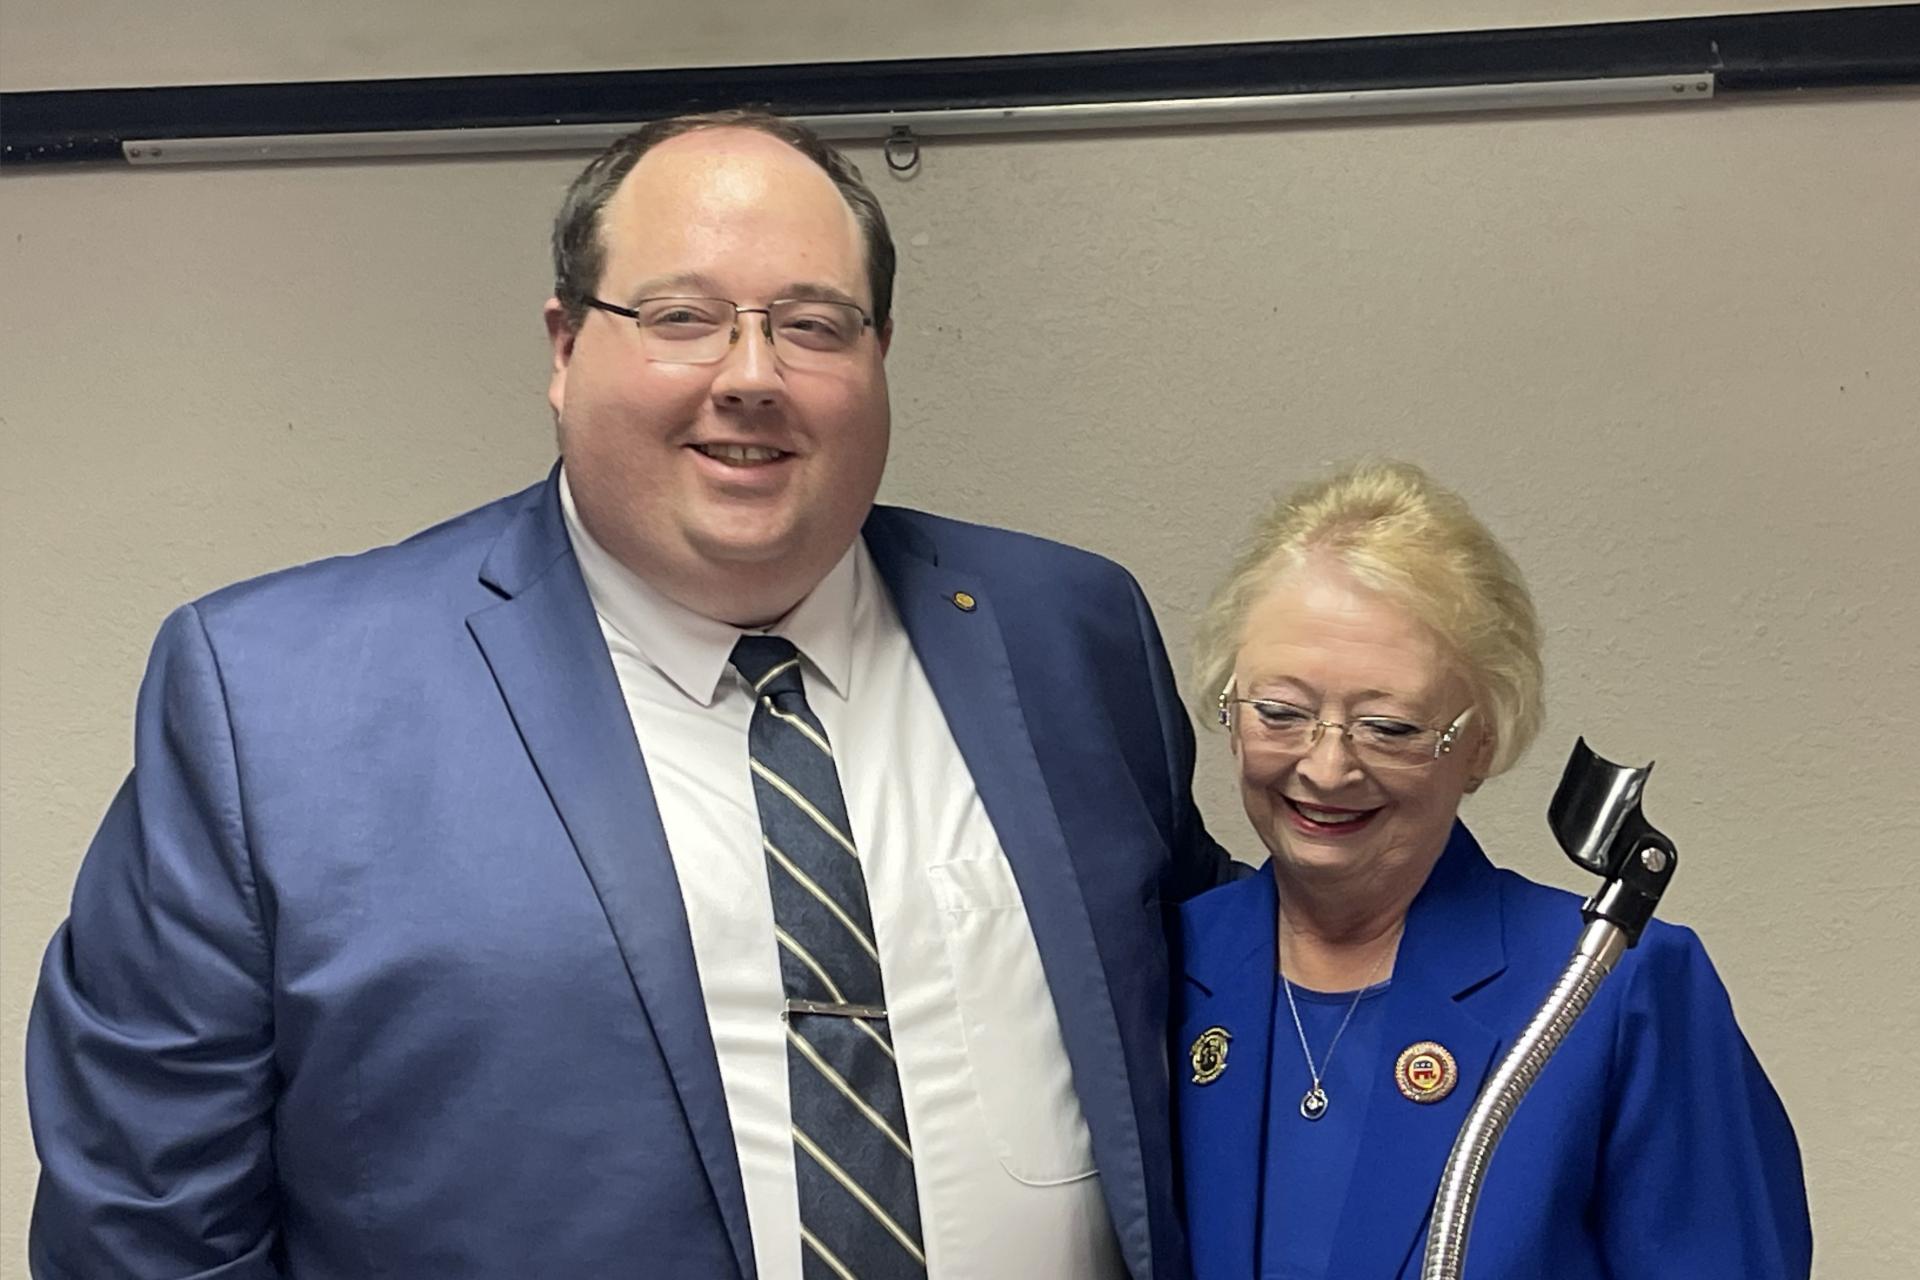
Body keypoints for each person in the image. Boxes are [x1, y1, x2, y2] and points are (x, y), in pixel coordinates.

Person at [27, 111, 1232, 1280]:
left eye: (813, 324)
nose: (751, 375)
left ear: (879, 354)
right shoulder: (272, 702)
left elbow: (1225, 999)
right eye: (681, 317)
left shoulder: (1069, 634)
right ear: (564, 348)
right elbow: (144, 1223)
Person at [1171, 460, 1811, 1279]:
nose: (1326, 768)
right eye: (1280, 712)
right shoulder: (1152, 966)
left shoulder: (1612, 988)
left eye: (1389, 727)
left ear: (1480, 743)